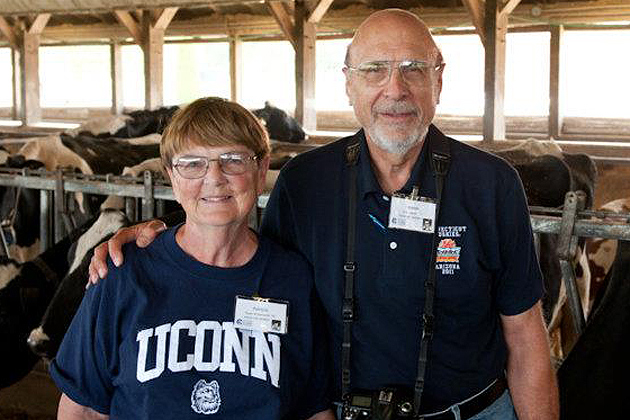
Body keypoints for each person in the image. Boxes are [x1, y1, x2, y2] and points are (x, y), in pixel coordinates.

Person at [89, 10, 559, 420]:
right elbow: (250, 275)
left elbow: (525, 336)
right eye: (375, 70)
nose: (395, 88)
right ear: (349, 84)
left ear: (439, 80)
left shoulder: (491, 184)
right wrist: (153, 244)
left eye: (414, 69)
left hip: (471, 413)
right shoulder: (304, 182)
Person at [51, 97, 334, 420]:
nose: (214, 177)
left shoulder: (293, 278)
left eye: (233, 159)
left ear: (261, 169)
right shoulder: (122, 273)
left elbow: (314, 411)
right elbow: (83, 409)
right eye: (192, 163)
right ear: (172, 176)